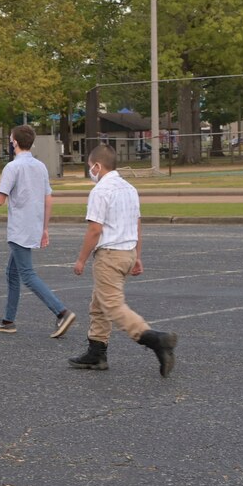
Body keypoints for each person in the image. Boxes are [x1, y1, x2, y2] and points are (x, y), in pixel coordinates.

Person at [69, 143, 177, 377]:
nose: (90, 172)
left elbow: (94, 230)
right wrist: (137, 255)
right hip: (127, 252)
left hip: (110, 254)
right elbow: (136, 223)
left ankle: (154, 339)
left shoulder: (100, 191)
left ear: (97, 166)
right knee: (99, 303)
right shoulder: (129, 188)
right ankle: (96, 352)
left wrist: (81, 260)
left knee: (113, 305)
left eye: (90, 167)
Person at [0, 124, 75, 338]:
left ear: (14, 142)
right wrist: (45, 228)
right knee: (12, 273)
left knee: (28, 275)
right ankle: (8, 320)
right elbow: (48, 198)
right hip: (33, 225)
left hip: (19, 228)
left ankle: (61, 311)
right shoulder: (40, 166)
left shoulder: (12, 168)